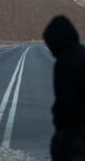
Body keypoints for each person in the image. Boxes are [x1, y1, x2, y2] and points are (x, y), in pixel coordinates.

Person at [43, 15, 85, 161]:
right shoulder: (81, 53)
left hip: (74, 131)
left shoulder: (65, 61)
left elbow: (65, 99)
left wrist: (58, 120)